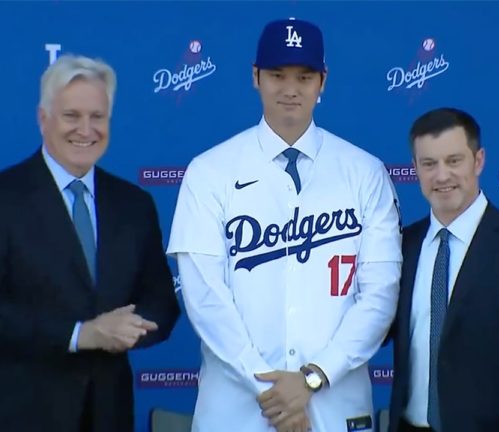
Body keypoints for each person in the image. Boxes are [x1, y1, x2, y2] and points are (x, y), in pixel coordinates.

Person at [167, 17, 402, 432]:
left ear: (322, 81)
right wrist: (272, 391)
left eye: (304, 76)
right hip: (237, 411)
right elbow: (206, 300)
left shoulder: (365, 172)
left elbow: (380, 295)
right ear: (255, 77)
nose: (290, 89)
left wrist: (313, 377)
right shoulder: (209, 172)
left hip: (334, 405)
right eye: (277, 74)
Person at [0, 54, 180, 432]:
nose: (86, 129)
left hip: (107, 414)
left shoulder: (134, 204)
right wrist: (81, 334)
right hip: (15, 416)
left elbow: (162, 302)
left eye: (97, 117)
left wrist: (130, 328)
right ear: (43, 120)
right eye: (71, 116)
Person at [388, 108, 499, 432]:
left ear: (479, 160)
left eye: (454, 161)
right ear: (415, 169)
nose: (442, 176)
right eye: (429, 164)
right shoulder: (401, 247)